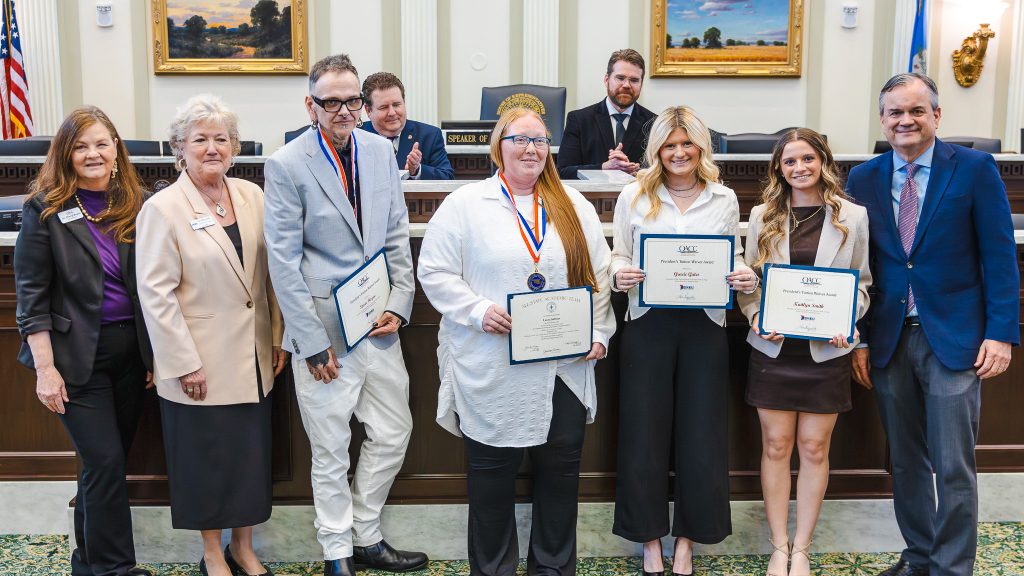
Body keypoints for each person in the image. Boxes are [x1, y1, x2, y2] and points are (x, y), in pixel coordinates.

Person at [417, 106, 615, 576]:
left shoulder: (574, 203)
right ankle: (493, 569)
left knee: (560, 474)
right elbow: (434, 272)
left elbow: (601, 276)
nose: (531, 149)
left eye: (540, 140)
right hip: (493, 364)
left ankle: (552, 568)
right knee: (491, 478)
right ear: (498, 147)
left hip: (563, 365)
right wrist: (478, 310)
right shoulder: (465, 204)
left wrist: (599, 333)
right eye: (519, 139)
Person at [847, 73, 1018, 576]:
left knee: (954, 466)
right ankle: (919, 557)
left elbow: (999, 256)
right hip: (890, 340)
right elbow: (861, 266)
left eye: (917, 111)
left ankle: (952, 568)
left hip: (957, 341)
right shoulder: (863, 179)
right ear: (882, 120)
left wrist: (1001, 332)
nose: (906, 120)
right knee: (905, 462)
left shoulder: (974, 169)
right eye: (896, 112)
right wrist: (858, 337)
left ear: (936, 116)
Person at [263, 54, 427, 576]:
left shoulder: (380, 152)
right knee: (330, 449)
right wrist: (309, 342)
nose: (343, 110)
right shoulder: (287, 163)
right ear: (310, 104)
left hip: (378, 327)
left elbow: (397, 235)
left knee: (394, 430)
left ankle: (366, 534)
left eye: (351, 100)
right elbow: (283, 263)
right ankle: (338, 552)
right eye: (330, 101)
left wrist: (401, 305)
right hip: (325, 338)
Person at [136, 94, 287, 576]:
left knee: (248, 458)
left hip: (254, 356)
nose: (212, 148)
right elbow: (155, 295)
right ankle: (212, 553)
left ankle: (244, 547)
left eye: (221, 138)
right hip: (198, 361)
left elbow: (271, 276)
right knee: (206, 460)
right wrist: (183, 363)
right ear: (179, 148)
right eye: (200, 139)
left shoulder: (252, 196)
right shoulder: (162, 209)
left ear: (235, 146)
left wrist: (279, 336)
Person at [610, 106, 757, 576]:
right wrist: (620, 273)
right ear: (656, 150)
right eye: (669, 145)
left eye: (686, 144)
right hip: (648, 324)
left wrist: (743, 275)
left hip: (704, 328)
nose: (678, 153)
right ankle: (650, 540)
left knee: (702, 435)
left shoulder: (724, 198)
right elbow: (616, 255)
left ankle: (688, 540)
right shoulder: (633, 194)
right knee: (643, 435)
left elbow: (733, 254)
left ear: (700, 148)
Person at [14, 106, 154, 576]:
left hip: (132, 355)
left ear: (117, 150)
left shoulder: (138, 202)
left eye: (101, 143)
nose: (92, 154)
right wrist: (46, 370)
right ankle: (116, 568)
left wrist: (156, 355)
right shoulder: (44, 210)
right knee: (107, 462)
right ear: (65, 154)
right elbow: (31, 298)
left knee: (101, 468)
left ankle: (86, 561)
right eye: (80, 146)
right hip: (75, 360)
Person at [736, 128, 871, 576]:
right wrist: (756, 315)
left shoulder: (852, 216)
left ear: (823, 162)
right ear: (779, 168)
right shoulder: (762, 215)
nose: (799, 168)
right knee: (776, 445)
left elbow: (863, 284)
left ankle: (803, 549)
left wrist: (847, 319)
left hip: (825, 352)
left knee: (814, 448)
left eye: (808, 159)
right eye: (790, 161)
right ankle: (779, 546)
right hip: (774, 350)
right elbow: (750, 283)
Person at [557, 48, 656, 179]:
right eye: (620, 78)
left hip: (637, 197)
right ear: (606, 79)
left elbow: (662, 172)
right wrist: (604, 168)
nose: (626, 85)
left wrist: (637, 174)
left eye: (634, 80)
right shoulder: (579, 120)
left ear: (641, 84)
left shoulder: (654, 122)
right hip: (591, 198)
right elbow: (563, 171)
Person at [360, 71, 454, 180]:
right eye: (384, 107)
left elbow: (447, 177)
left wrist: (417, 170)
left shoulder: (429, 135)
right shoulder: (356, 136)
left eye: (396, 105)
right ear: (368, 110)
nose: (392, 113)